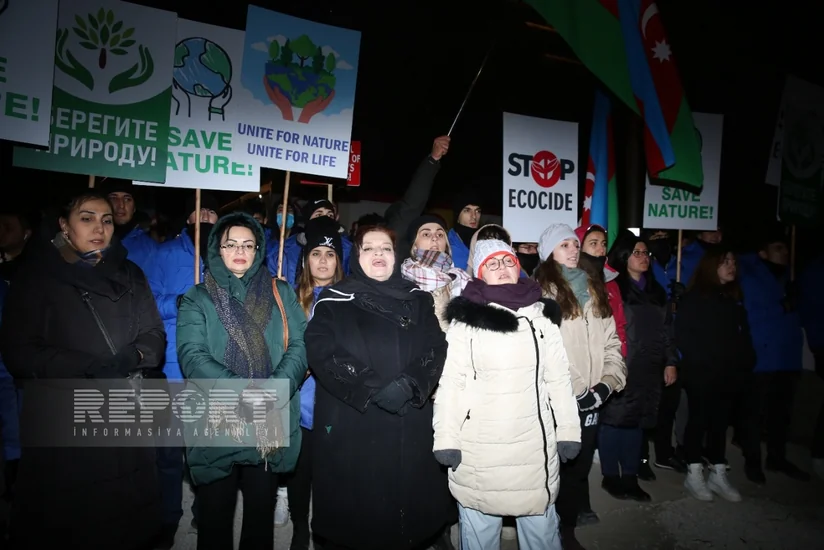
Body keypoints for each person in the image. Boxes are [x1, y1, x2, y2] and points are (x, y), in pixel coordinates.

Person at [0, 191, 165, 549]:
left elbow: (154, 333)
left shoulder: (130, 272)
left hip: (124, 413)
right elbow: (20, 352)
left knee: (124, 519)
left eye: (106, 220)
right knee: (76, 521)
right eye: (86, 218)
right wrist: (89, 367)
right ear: (64, 224)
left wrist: (133, 356)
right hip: (67, 419)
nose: (99, 228)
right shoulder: (39, 275)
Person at [305, 225, 454, 550]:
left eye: (385, 248)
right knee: (360, 521)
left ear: (396, 255)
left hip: (407, 422)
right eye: (368, 248)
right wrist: (370, 386)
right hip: (355, 424)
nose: (378, 254)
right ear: (357, 257)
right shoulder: (334, 300)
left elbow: (436, 344)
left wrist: (410, 384)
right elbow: (321, 349)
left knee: (405, 518)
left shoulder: (417, 299)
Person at [433, 238, 581, 550]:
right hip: (480, 452)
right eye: (493, 263)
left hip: (533, 449)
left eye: (508, 261)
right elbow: (453, 385)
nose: (502, 268)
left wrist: (569, 429)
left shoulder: (544, 316)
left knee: (542, 537)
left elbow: (559, 380)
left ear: (518, 267)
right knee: (479, 538)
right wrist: (446, 438)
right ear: (480, 272)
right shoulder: (466, 319)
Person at [176, 212, 308, 550]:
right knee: (214, 519)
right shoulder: (198, 297)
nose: (239, 250)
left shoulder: (279, 291)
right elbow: (192, 357)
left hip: (268, 416)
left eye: (248, 244)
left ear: (259, 249)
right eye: (231, 244)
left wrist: (274, 389)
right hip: (216, 417)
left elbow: (300, 344)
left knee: (260, 521)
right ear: (216, 248)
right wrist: (246, 391)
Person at [535, 223, 626, 546]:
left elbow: (612, 343)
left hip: (593, 400)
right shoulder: (540, 294)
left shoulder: (594, 287)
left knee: (580, 466)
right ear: (549, 253)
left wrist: (606, 384)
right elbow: (545, 350)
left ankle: (567, 530)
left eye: (575, 244)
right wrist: (574, 392)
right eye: (564, 245)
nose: (573, 250)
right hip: (560, 400)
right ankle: (546, 531)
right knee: (553, 467)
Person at [146, 191, 221, 539]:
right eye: (199, 213)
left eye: (211, 214)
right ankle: (166, 515)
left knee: (206, 450)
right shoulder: (164, 254)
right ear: (187, 220)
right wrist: (181, 301)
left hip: (213, 366)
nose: (204, 218)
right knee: (168, 451)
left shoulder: (226, 258)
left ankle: (204, 511)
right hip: (173, 368)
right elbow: (147, 302)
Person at [599, 236, 677, 502]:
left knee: (637, 423)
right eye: (637, 252)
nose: (644, 257)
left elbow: (667, 330)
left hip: (650, 367)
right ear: (623, 257)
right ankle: (611, 476)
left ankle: (630, 476)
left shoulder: (656, 291)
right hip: (622, 365)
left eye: (646, 253)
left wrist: (670, 361)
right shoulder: (613, 288)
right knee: (613, 422)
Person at [676, 247, 754, 502]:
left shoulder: (732, 299)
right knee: (698, 421)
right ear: (711, 266)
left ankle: (718, 471)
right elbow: (684, 337)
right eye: (725, 261)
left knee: (720, 423)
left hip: (728, 374)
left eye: (733, 261)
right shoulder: (694, 298)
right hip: (702, 373)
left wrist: (744, 361)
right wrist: (703, 364)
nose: (731, 266)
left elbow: (740, 337)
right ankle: (694, 471)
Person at [287, 216, 344, 550]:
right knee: (299, 476)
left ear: (338, 261)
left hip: (334, 405)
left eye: (330, 254)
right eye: (316, 254)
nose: (323, 260)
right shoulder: (292, 299)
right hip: (300, 404)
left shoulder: (349, 298)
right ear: (306, 260)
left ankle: (323, 530)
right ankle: (298, 529)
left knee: (330, 478)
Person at [737, 231, 808, 480]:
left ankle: (777, 458)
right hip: (762, 357)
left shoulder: (788, 278)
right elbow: (749, 315)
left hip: (787, 356)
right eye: (778, 247)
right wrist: (782, 306)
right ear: (763, 253)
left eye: (786, 248)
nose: (785, 253)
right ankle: (753, 461)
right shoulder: (750, 276)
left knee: (781, 414)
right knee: (755, 414)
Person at [401, 214, 469, 331]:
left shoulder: (459, 278)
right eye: (426, 234)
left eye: (440, 234)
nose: (435, 238)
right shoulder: (404, 280)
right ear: (414, 245)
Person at [102, 179, 157, 272]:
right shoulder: (91, 239)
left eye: (127, 199)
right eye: (114, 198)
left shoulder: (149, 248)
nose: (121, 205)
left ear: (134, 207)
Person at [446, 190, 483, 271]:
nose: (474, 216)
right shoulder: (445, 244)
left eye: (477, 211)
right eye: (467, 210)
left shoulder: (487, 241)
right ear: (457, 215)